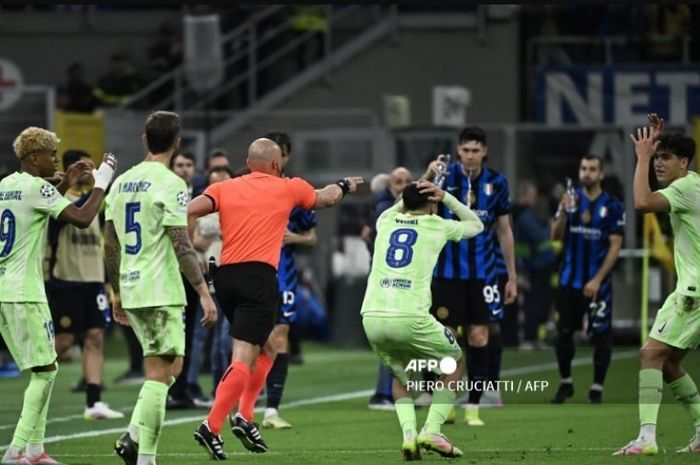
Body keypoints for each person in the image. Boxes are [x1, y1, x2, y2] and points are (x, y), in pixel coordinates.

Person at [189, 137, 363, 460]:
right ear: (275, 163)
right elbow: (326, 198)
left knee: (268, 348)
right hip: (258, 277)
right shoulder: (287, 186)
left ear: (247, 162)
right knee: (243, 355)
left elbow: (190, 210)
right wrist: (345, 185)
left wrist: (188, 250)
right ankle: (211, 426)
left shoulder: (224, 187)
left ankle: (245, 416)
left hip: (225, 278)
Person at [105, 111, 217, 465]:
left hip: (132, 286)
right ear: (177, 143)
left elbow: (111, 243)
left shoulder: (121, 182)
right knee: (159, 373)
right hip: (159, 289)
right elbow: (181, 243)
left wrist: (116, 291)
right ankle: (146, 459)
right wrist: (203, 292)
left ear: (145, 139)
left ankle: (132, 436)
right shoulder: (172, 184)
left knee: (173, 367)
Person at [0, 127, 117, 465]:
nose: (56, 159)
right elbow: (81, 218)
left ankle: (36, 451)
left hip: (7, 289)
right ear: (34, 158)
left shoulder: (7, 185)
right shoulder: (36, 188)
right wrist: (102, 180)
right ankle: (16, 451)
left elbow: (39, 204)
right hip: (25, 292)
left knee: (44, 369)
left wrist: (66, 183)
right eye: (51, 154)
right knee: (46, 371)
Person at [362, 181, 484, 459]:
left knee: (400, 373)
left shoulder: (385, 221)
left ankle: (408, 437)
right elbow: (476, 225)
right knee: (455, 362)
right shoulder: (437, 225)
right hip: (410, 316)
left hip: (372, 317)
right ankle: (432, 430)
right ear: (432, 205)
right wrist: (447, 197)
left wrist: (410, 196)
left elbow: (399, 207)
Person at [615, 116, 700, 455]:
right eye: (658, 157)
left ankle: (647, 438)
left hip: (693, 293)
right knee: (669, 363)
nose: (659, 163)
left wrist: (642, 157)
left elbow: (641, 203)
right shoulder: (693, 184)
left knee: (651, 354)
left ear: (684, 162)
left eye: (666, 157)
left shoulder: (685, 189)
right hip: (693, 289)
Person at [422, 126, 518, 426]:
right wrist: (428, 173)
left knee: (479, 336)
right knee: (446, 340)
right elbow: (415, 201)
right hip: (447, 273)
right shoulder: (443, 177)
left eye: (476, 150)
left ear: (484, 152)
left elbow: (504, 230)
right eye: (466, 150)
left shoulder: (497, 183)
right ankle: (445, 403)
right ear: (458, 151)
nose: (471, 155)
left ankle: (474, 406)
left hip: (484, 274)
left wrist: (512, 276)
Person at [47, 149, 123, 420]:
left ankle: (94, 402)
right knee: (64, 341)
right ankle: (36, 383)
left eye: (92, 168)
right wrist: (99, 183)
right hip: (66, 279)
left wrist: (106, 281)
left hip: (93, 281)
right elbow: (78, 217)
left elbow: (104, 237)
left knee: (95, 338)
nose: (90, 173)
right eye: (84, 167)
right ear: (71, 170)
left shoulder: (96, 202)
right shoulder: (58, 201)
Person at [550, 154, 624, 404]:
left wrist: (597, 279)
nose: (587, 173)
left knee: (601, 335)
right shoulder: (571, 201)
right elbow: (554, 236)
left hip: (597, 284)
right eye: (583, 168)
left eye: (592, 169)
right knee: (563, 333)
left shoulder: (613, 206)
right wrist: (563, 210)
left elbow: (615, 246)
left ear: (601, 174)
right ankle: (566, 383)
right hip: (568, 280)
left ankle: (596, 388)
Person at [262, 132, 318, 429]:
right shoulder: (246, 186)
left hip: (283, 274)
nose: (276, 159)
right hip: (250, 273)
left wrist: (293, 237)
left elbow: (312, 237)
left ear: (287, 156)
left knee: (280, 337)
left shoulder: (296, 191)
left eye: (280, 154)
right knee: (246, 341)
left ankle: (271, 410)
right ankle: (239, 404)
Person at [365, 167, 412, 410]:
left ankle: (395, 392)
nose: (403, 186)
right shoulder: (384, 205)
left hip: (399, 279)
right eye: (398, 181)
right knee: (392, 338)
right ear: (389, 185)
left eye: (407, 182)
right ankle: (384, 393)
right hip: (387, 281)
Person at [168, 151, 208, 409]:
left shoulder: (203, 196)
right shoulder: (167, 192)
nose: (184, 169)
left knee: (191, 332)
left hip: (195, 272)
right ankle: (170, 387)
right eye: (179, 164)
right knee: (173, 332)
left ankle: (183, 387)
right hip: (171, 272)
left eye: (188, 164)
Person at [513, 181, 556, 349]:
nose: (535, 199)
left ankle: (534, 337)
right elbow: (538, 236)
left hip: (532, 264)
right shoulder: (525, 215)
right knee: (534, 302)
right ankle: (529, 338)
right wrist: (549, 228)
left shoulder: (521, 213)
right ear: (526, 196)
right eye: (533, 195)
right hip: (536, 265)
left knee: (537, 302)